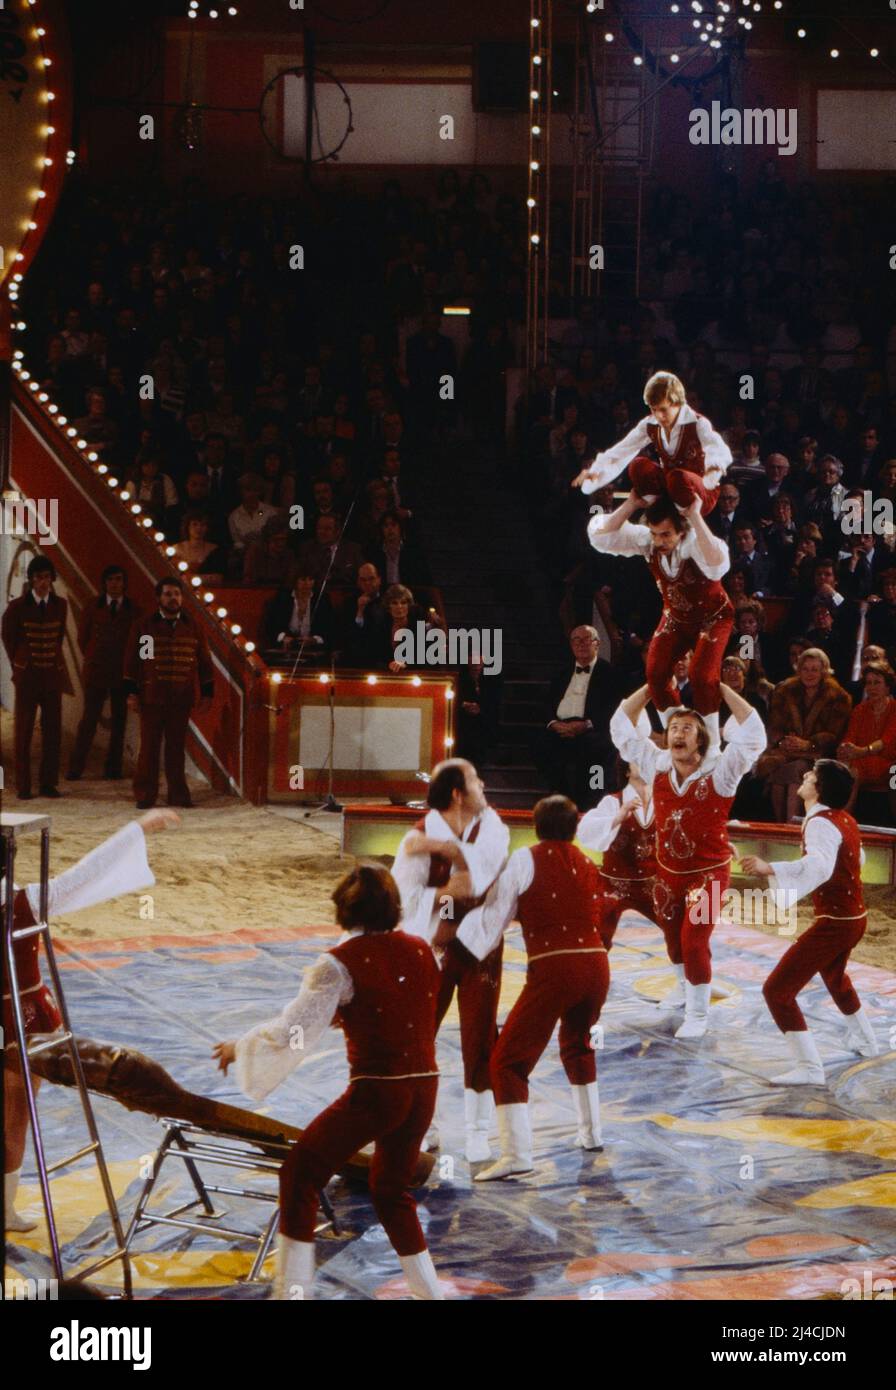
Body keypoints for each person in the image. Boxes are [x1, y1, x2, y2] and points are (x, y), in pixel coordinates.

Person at [213, 865, 444, 1300]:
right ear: (393, 909)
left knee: (299, 1175)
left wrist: (239, 1047)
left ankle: (292, 1292)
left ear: (342, 910)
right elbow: (398, 1007)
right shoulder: (422, 950)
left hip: (377, 1092)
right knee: (390, 1190)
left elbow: (291, 1032)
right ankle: (430, 1294)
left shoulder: (336, 965)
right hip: (425, 1088)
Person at [4, 811, 179, 1230]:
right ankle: (3, 1208)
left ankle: (4, 1208)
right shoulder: (28, 900)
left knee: (13, 1110)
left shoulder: (26, 900)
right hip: (24, 1021)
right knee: (14, 1112)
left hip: (24, 1019)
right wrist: (136, 829)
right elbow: (87, 874)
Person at [455, 796, 608, 1180]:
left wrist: (455, 944)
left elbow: (495, 917)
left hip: (555, 969)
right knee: (578, 1044)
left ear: (535, 827)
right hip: (597, 966)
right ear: (575, 828)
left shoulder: (525, 859)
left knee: (507, 1062)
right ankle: (591, 1134)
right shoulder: (589, 863)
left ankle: (516, 1154)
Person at [610, 681, 767, 1038]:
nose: (678, 733)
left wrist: (719, 688)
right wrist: (651, 686)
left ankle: (698, 1014)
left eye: (687, 728)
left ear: (701, 739)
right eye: (673, 728)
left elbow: (754, 734)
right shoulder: (656, 766)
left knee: (695, 941)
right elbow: (621, 726)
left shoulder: (721, 773)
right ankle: (685, 989)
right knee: (672, 939)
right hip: (667, 875)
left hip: (709, 876)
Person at [391, 759, 509, 1162]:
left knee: (479, 1038)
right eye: (476, 780)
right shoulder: (415, 839)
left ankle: (478, 1131)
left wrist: (446, 853)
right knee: (419, 1038)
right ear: (458, 794)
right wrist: (443, 895)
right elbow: (401, 903)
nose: (483, 784)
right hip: (432, 949)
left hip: (480, 948)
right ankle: (425, 1125)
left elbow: (475, 881)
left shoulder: (493, 826)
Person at [741, 761, 879, 1084]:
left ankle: (810, 1068)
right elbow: (858, 857)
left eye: (811, 776)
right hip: (854, 918)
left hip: (837, 922)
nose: (804, 777)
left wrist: (769, 868)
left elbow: (820, 866)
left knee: (776, 990)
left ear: (820, 789)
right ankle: (867, 1041)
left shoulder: (819, 824)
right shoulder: (843, 819)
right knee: (835, 977)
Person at [589, 492, 732, 748]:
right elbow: (601, 537)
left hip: (712, 617)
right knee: (654, 673)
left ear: (681, 532)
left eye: (666, 535)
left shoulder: (696, 543)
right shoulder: (649, 541)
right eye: (655, 534)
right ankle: (680, 733)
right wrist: (632, 503)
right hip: (676, 617)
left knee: (700, 675)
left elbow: (719, 564)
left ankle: (708, 744)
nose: (659, 541)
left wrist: (695, 516)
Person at [572, 369, 731, 516]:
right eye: (653, 409)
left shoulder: (697, 423)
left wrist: (712, 472)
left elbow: (720, 451)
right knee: (638, 466)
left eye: (663, 409)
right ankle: (661, 509)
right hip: (672, 489)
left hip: (701, 492)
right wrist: (595, 471)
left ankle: (680, 513)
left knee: (678, 477)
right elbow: (621, 452)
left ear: (677, 403)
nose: (658, 416)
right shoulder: (650, 424)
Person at [123, 577, 214, 809]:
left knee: (175, 749)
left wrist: (207, 693)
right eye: (168, 594)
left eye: (176, 594)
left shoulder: (193, 626)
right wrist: (133, 693)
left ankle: (178, 795)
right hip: (152, 697)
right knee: (149, 749)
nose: (173, 598)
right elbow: (139, 661)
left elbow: (204, 662)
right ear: (159, 598)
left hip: (181, 699)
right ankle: (145, 794)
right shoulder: (146, 626)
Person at [578, 759, 664, 965]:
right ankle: (588, 980)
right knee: (598, 937)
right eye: (639, 759)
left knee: (679, 931)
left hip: (651, 884)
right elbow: (586, 832)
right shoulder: (612, 802)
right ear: (627, 771)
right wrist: (618, 816)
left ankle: (694, 981)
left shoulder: (664, 802)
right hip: (613, 884)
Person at [2, 556, 71, 800]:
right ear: (31, 579)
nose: (43, 582)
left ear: (52, 579)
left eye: (47, 577)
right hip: (28, 677)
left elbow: (59, 636)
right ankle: (23, 785)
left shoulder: (61, 605)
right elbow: (8, 637)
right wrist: (20, 664)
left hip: (52, 675)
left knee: (53, 731)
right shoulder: (17, 606)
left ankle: (48, 783)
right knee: (23, 731)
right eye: (39, 577)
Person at [756, 648, 852, 823]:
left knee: (795, 770)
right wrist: (783, 741)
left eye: (814, 669)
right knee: (775, 768)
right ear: (798, 670)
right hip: (787, 751)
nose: (809, 674)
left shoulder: (838, 697)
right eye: (805, 669)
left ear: (824, 671)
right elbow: (774, 726)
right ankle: (780, 826)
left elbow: (833, 735)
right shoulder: (785, 691)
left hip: (818, 753)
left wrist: (808, 744)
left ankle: (791, 825)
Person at [532, 626, 623, 809]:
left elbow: (613, 708)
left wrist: (586, 724)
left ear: (597, 644)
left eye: (586, 639)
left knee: (598, 749)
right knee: (540, 744)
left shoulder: (610, 674)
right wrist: (554, 724)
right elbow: (547, 703)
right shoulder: (561, 673)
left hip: (592, 729)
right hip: (560, 728)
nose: (580, 644)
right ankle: (559, 795)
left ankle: (593, 799)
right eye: (576, 640)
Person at [67, 565, 135, 781]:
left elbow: (143, 641)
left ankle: (113, 769)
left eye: (119, 579)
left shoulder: (134, 610)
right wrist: (93, 657)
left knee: (119, 721)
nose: (115, 584)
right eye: (111, 580)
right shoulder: (93, 606)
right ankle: (76, 767)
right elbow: (82, 638)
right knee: (88, 720)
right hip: (97, 670)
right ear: (104, 583)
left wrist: (138, 667)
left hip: (121, 673)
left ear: (124, 583)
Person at [837, 661, 896, 824]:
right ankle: (842, 823)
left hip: (891, 763)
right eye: (868, 683)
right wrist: (846, 748)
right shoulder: (859, 710)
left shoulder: (894, 709)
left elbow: (887, 740)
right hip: (864, 763)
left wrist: (862, 750)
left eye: (877, 683)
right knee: (846, 768)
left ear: (888, 686)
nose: (872, 688)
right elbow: (850, 737)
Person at [173, 510, 227, 584]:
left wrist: (192, 578)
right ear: (187, 527)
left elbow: (218, 578)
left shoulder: (214, 550)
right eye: (194, 524)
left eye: (203, 525)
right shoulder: (176, 549)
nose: (199, 528)